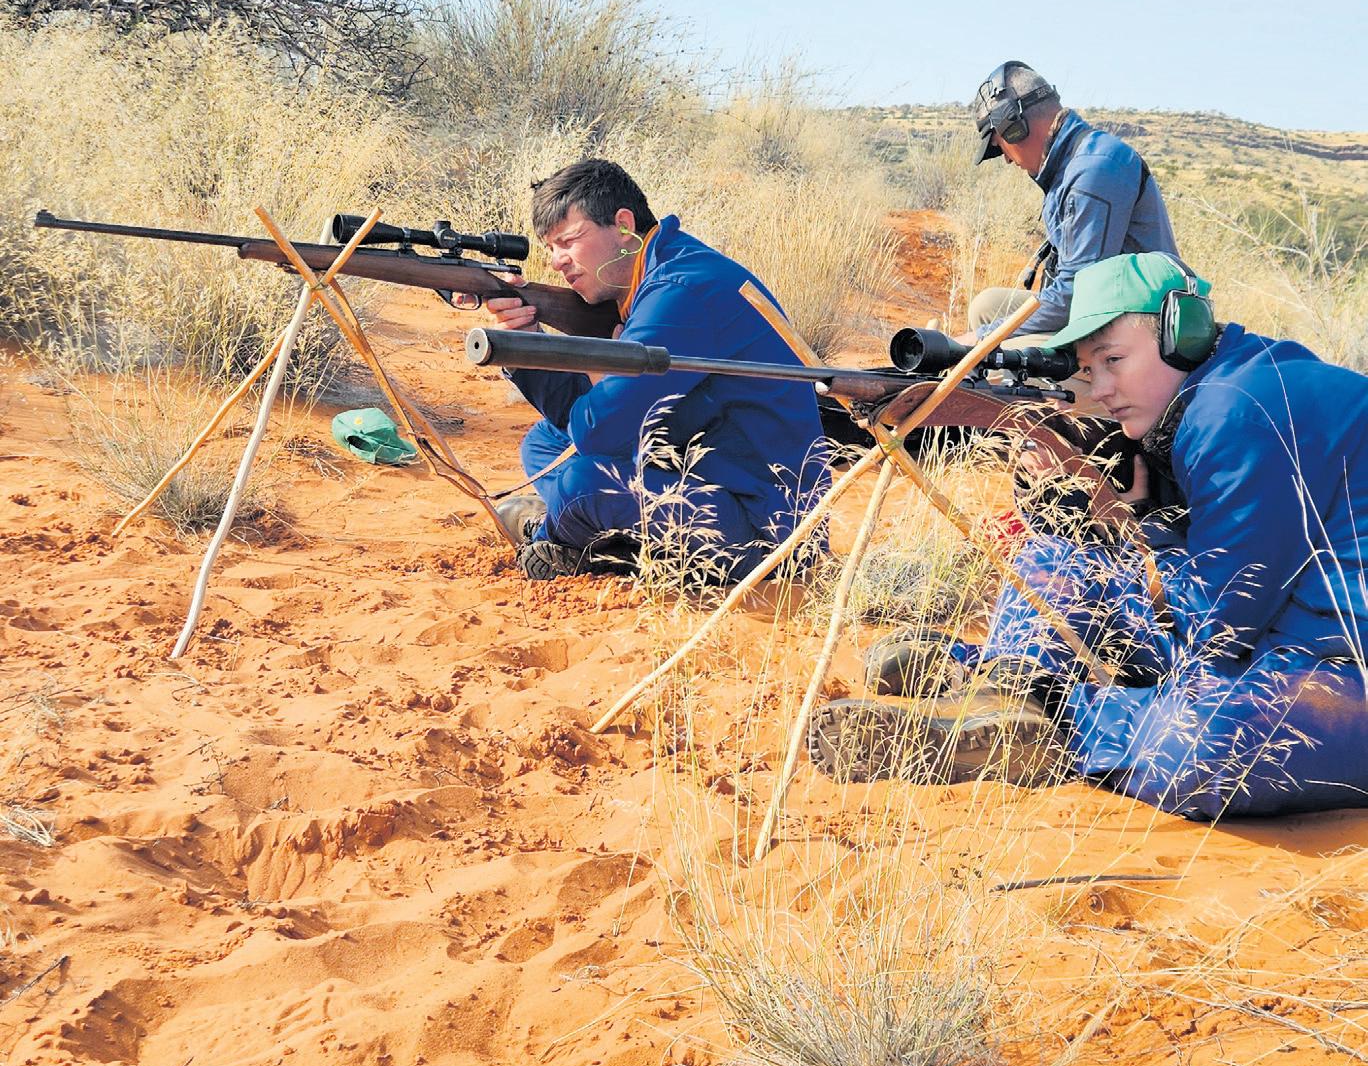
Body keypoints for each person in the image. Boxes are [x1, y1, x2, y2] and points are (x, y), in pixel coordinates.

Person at [813, 251, 1368, 821]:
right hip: (1276, 632)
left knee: (1202, 745)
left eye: (1114, 360)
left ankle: (1044, 716)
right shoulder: (1213, 392)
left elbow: (1216, 628)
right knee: (1061, 554)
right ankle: (1008, 681)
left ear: (1184, 336)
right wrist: (1120, 508)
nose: (1100, 388)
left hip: (1339, 664)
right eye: (1088, 368)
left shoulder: (1238, 413)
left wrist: (1138, 523)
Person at [482, 158, 828, 581]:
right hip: (708, 470)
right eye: (550, 248)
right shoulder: (671, 266)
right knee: (544, 446)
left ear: (624, 225)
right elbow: (594, 425)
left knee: (581, 483)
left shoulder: (679, 292)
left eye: (569, 241)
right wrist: (530, 343)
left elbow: (599, 433)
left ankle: (557, 544)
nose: (556, 261)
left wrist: (581, 364)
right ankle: (616, 540)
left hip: (767, 529)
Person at [958, 61, 1180, 350]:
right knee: (986, 306)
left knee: (1001, 355)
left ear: (1015, 128)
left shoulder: (1095, 169)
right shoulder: (1069, 162)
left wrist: (983, 337)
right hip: (1108, 307)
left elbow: (1076, 294)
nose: (1007, 159)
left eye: (1000, 146)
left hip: (1138, 327)